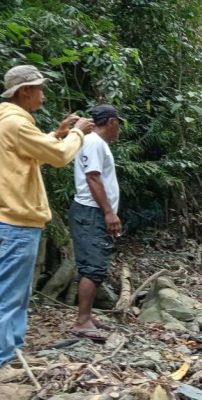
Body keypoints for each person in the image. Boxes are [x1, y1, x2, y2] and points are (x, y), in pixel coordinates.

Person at [0, 65, 93, 373]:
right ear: (24, 92)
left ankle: (10, 352)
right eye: (39, 89)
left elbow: (34, 153)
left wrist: (58, 134)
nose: (43, 94)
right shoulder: (15, 123)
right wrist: (78, 132)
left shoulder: (8, 122)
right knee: (10, 294)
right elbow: (59, 156)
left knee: (13, 291)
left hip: (10, 220)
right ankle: (4, 359)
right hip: (16, 221)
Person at [69, 104, 123, 341]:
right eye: (118, 123)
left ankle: (87, 317)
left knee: (94, 264)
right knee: (93, 266)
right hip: (90, 211)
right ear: (111, 122)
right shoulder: (93, 142)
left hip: (92, 212)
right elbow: (93, 177)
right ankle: (82, 321)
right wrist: (109, 213)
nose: (119, 129)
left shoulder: (95, 143)